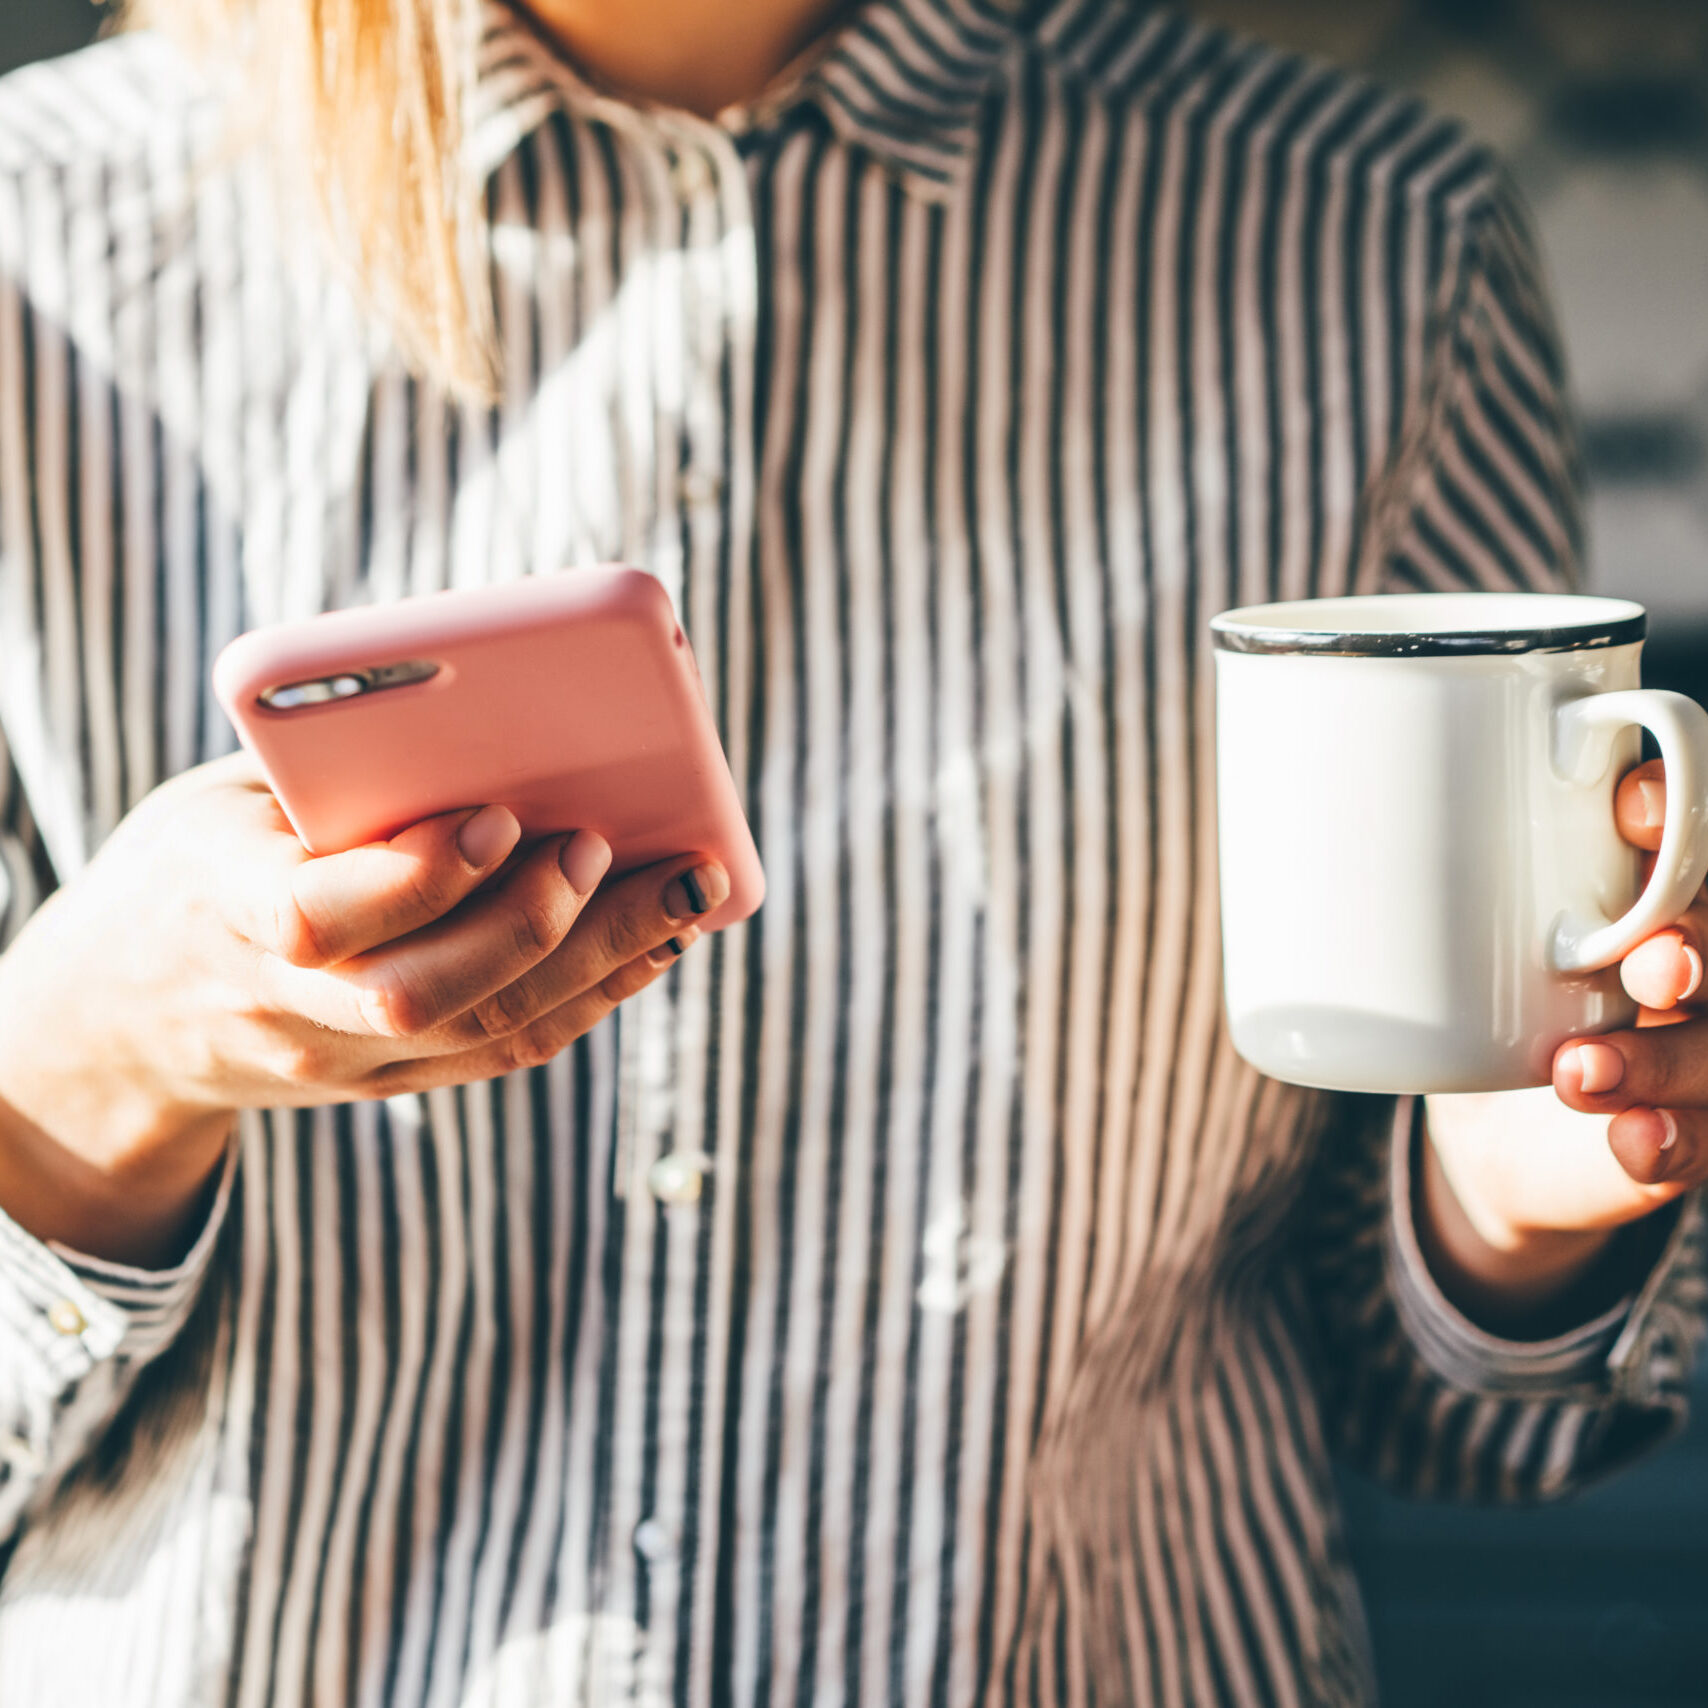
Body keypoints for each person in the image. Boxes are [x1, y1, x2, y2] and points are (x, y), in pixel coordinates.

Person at [0, 0, 1703, 1701]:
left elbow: (1444, 1394)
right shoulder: (34, 250)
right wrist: (88, 1062)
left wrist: (1527, 1197)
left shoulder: (1369, 244)